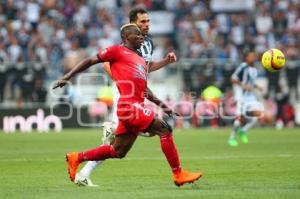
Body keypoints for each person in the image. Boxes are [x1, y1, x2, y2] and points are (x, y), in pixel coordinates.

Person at [53, 24, 202, 187]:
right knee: (165, 129)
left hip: (134, 107)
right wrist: (67, 76)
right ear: (125, 37)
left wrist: (165, 107)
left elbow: (145, 90)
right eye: (136, 34)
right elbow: (90, 60)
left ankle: (76, 158)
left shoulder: (141, 61)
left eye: (142, 35)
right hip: (129, 105)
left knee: (118, 151)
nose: (141, 37)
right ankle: (178, 174)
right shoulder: (116, 51)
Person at [75, 7, 178, 187]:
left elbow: (146, 67)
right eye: (142, 22)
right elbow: (105, 64)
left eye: (148, 21)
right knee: (127, 139)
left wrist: (166, 61)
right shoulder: (126, 43)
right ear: (133, 24)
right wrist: (124, 82)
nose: (146, 25)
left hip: (138, 93)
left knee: (119, 145)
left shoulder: (147, 43)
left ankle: (84, 172)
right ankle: (111, 129)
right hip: (125, 93)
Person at [228, 51, 264, 147]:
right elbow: (232, 79)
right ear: (246, 58)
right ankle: (232, 138)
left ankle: (243, 130)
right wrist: (243, 86)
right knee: (239, 119)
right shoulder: (243, 67)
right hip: (241, 96)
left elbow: (250, 83)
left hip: (250, 96)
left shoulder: (254, 70)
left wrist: (257, 87)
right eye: (251, 56)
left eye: (254, 56)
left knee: (259, 115)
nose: (253, 58)